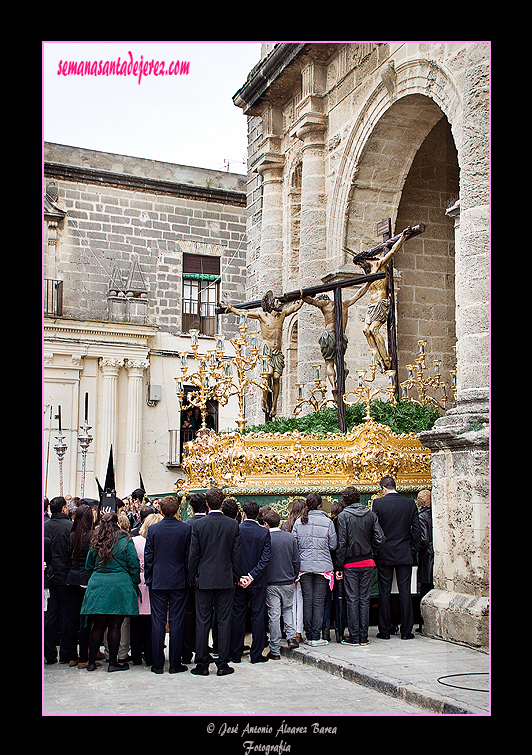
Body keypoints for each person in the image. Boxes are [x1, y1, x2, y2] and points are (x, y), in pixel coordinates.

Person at [221, 291, 303, 417]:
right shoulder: (262, 315)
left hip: (277, 351)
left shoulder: (282, 315)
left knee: (276, 377)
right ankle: (264, 399)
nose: (280, 303)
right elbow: (245, 313)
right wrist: (231, 308)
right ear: (271, 304)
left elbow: (295, 307)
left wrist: (303, 296)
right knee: (268, 373)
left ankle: (274, 405)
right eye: (277, 301)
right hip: (266, 349)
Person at [188, 487, 241, 676]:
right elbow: (236, 554)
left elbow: (194, 554)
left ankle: (202, 663)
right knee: (224, 621)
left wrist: (192, 576)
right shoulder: (232, 525)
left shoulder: (199, 525)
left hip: (204, 578)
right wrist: (236, 575)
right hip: (226, 578)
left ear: (208, 504)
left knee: (202, 620)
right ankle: (223, 663)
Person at [80, 512, 140, 672]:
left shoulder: (96, 541)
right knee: (115, 625)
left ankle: (91, 662)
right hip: (120, 585)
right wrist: (134, 581)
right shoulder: (125, 541)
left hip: (98, 584)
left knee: (98, 626)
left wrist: (95, 578)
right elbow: (134, 563)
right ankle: (113, 662)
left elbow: (89, 565)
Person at [349, 228, 409, 371]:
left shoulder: (380, 264)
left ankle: (386, 359)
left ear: (364, 260)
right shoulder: (368, 274)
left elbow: (392, 251)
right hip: (371, 305)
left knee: (374, 330)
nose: (361, 267)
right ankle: (377, 360)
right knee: (366, 331)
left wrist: (402, 238)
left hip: (381, 302)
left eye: (360, 264)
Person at [143, 497, 191, 674]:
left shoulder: (154, 529)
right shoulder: (185, 528)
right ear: (177, 510)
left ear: (161, 511)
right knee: (177, 620)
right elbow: (188, 556)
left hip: (159, 579)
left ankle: (157, 664)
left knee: (158, 620)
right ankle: (175, 663)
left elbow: (149, 556)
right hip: (179, 579)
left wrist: (149, 577)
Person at [335, 487, 385, 646]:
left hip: (351, 562)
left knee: (352, 599)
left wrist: (339, 565)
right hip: (368, 561)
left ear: (345, 499)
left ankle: (355, 636)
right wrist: (372, 550)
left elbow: (342, 543)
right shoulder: (370, 514)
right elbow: (380, 537)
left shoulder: (344, 516)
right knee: (364, 599)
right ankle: (364, 636)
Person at [302, 282, 370, 399]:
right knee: (341, 362)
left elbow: (312, 301)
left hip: (328, 335)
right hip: (341, 336)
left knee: (329, 363)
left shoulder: (325, 303)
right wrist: (368, 283)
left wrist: (302, 295)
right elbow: (358, 294)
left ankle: (333, 385)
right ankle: (341, 376)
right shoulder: (345, 303)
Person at [372, 476, 420, 640]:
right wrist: (411, 550)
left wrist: (377, 550)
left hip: (385, 553)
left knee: (384, 592)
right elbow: (417, 531)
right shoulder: (409, 503)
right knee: (404, 591)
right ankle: (406, 631)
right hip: (404, 552)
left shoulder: (378, 503)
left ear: (383, 488)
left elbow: (375, 530)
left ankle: (385, 630)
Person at [292, 493, 337, 646]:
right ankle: (316, 636)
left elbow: (294, 545)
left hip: (304, 566)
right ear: (320, 505)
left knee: (307, 600)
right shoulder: (327, 522)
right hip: (323, 566)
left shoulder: (299, 522)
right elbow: (333, 545)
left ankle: (308, 633)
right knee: (318, 601)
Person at [230, 500, 272, 665]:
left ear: (244, 514)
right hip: (257, 582)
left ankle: (236, 652)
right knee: (257, 616)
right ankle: (256, 653)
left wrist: (240, 576)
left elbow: (232, 555)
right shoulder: (263, 533)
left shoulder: (236, 530)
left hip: (239, 582)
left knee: (238, 615)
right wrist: (252, 576)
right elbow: (265, 558)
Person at [262, 509, 300, 659]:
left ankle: (275, 649)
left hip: (272, 582)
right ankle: (291, 637)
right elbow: (296, 560)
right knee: (288, 609)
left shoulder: (265, 538)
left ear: (266, 524)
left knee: (274, 615)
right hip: (287, 580)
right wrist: (294, 575)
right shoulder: (289, 538)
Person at [44, 496, 74, 664]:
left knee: (51, 614)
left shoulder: (45, 527)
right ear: (63, 509)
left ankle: (49, 653)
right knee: (65, 616)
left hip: (50, 576)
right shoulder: (70, 527)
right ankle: (65, 653)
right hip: (65, 576)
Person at [130, 512, 163, 666]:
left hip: (137, 581)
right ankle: (150, 655)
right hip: (153, 581)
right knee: (152, 621)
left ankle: (136, 655)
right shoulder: (159, 541)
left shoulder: (134, 541)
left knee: (136, 622)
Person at [65, 504, 95, 667]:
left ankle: (72, 655)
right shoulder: (91, 536)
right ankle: (83, 657)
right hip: (85, 580)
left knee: (72, 619)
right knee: (85, 620)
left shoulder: (72, 535)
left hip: (72, 579)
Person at [182, 492, 208, 663]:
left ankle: (186, 651)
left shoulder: (186, 525)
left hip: (189, 577)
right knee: (203, 616)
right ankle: (201, 650)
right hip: (206, 576)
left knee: (188, 614)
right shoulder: (208, 524)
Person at [281, 498, 306, 641]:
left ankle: (289, 629)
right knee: (299, 599)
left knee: (288, 602)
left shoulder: (286, 525)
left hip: (288, 567)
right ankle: (298, 631)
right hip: (301, 565)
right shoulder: (305, 523)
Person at [416, 489, 434, 633]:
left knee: (425, 588)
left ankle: (424, 622)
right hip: (433, 553)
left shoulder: (422, 517)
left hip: (427, 555)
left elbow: (423, 539)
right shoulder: (434, 514)